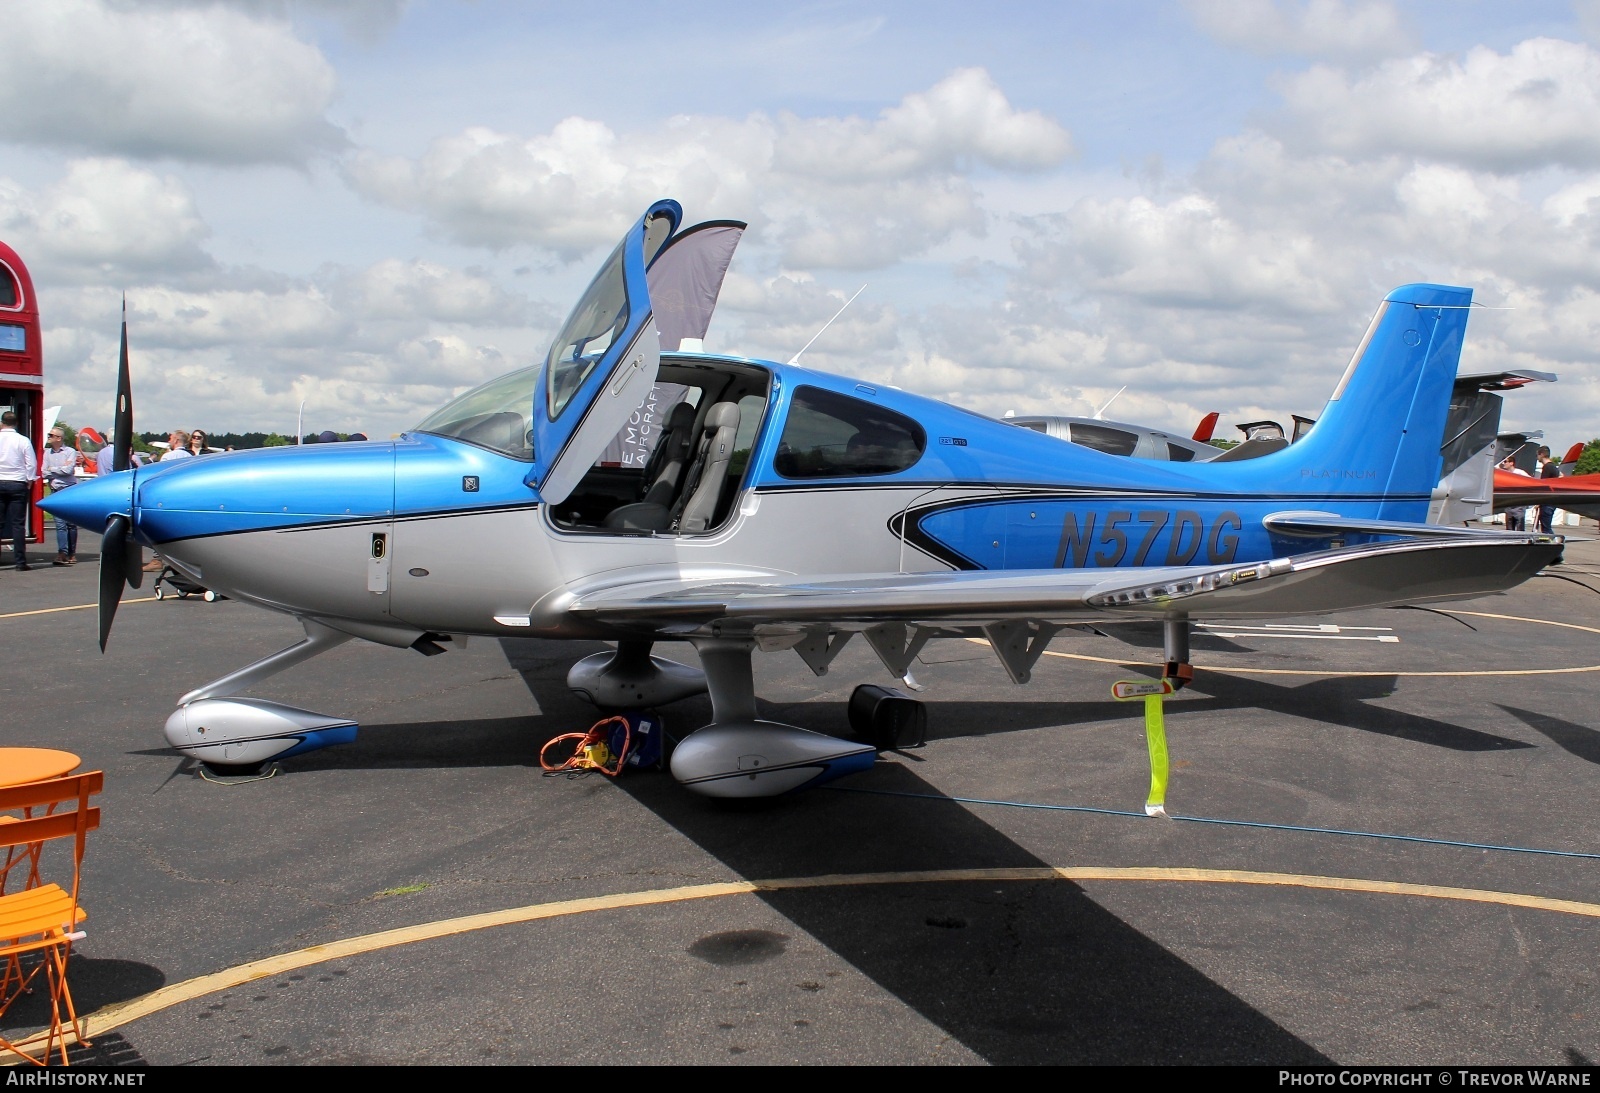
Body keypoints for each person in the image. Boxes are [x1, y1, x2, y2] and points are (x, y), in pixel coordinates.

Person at [0, 410, 38, 570]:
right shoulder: (23, 440)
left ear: (2, 422)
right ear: (16, 423)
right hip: (17, 483)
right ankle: (20, 562)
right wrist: (29, 480)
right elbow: (31, 463)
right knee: (18, 524)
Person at [41, 427, 81, 565]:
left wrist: (52, 470)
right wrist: (58, 470)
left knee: (71, 523)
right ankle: (62, 552)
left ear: (59, 438)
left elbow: (68, 470)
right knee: (59, 523)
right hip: (55, 490)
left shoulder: (70, 452)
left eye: (51, 435)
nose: (49, 437)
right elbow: (43, 472)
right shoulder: (47, 453)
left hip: (69, 489)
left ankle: (72, 553)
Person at [1537, 445, 1561, 534]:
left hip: (1547, 502)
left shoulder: (1547, 467)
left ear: (1542, 454)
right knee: (1546, 526)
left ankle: (1552, 543)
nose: (1537, 458)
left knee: (1546, 528)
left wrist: (1539, 500)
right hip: (1551, 501)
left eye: (1538, 455)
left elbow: (1543, 485)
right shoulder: (1554, 467)